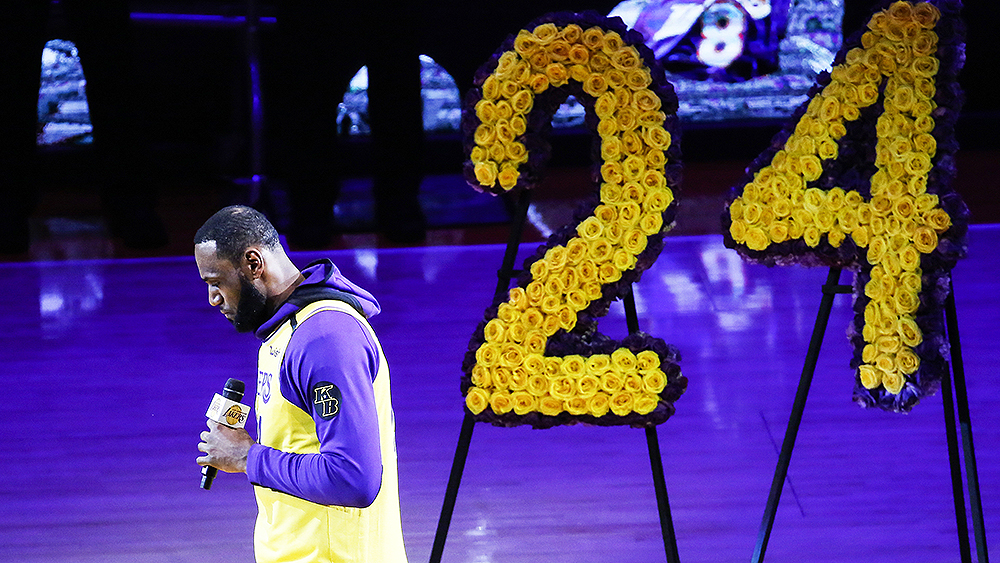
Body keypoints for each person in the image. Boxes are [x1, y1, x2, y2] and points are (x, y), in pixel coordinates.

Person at [193, 205, 407, 562]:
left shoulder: (325, 338)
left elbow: (353, 479)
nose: (213, 298)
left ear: (253, 263)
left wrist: (249, 457)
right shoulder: (284, 329)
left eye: (216, 282)